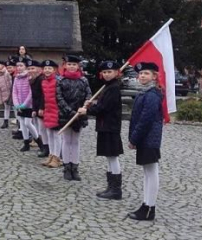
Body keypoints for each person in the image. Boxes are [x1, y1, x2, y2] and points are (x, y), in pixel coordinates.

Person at [80, 60, 124, 200]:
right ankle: (111, 186)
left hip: (110, 127)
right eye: (104, 72)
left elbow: (103, 108)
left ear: (117, 72)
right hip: (105, 126)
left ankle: (116, 189)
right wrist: (91, 103)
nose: (106, 74)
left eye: (109, 72)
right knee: (109, 156)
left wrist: (86, 110)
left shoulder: (114, 88)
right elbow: (101, 104)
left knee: (112, 156)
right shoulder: (107, 86)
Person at [127, 62, 164, 221]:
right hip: (145, 139)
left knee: (151, 172)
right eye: (141, 74)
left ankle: (150, 207)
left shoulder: (152, 95)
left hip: (149, 139)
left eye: (146, 73)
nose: (142, 76)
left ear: (154, 76)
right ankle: (146, 204)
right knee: (147, 173)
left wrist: (134, 138)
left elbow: (145, 120)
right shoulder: (145, 93)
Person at [56, 55, 91, 181]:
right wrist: (70, 112)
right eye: (69, 64)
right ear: (65, 65)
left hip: (80, 114)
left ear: (78, 66)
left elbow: (89, 95)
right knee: (66, 140)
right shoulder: (60, 80)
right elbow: (59, 98)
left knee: (75, 141)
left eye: (74, 64)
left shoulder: (83, 80)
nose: (71, 66)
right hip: (66, 115)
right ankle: (66, 167)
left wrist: (85, 105)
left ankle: (75, 167)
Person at [13, 58, 42, 152]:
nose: (19, 68)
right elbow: (14, 92)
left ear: (25, 67)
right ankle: (26, 142)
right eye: (17, 66)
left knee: (28, 123)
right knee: (22, 123)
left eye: (21, 66)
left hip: (29, 105)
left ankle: (38, 141)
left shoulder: (29, 77)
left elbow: (31, 93)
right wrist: (17, 104)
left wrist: (25, 104)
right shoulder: (16, 78)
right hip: (20, 105)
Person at [40, 60, 63, 168]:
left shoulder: (59, 81)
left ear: (54, 70)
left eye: (49, 68)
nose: (47, 70)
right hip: (48, 110)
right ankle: (51, 154)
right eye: (45, 68)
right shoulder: (44, 82)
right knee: (49, 134)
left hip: (57, 110)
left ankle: (57, 157)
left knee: (57, 135)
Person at [29, 60, 48, 158]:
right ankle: (45, 147)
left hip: (42, 107)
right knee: (41, 129)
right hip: (37, 107)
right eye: (29, 69)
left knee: (44, 129)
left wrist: (41, 107)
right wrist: (33, 109)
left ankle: (46, 148)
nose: (31, 70)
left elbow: (43, 95)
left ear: (39, 69)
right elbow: (34, 96)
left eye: (33, 68)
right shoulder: (33, 80)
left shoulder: (40, 79)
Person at [0, 60, 12, 129]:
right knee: (6, 108)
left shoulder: (7, 73)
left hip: (12, 93)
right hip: (4, 94)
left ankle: (19, 122)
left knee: (16, 108)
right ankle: (5, 121)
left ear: (3, 65)